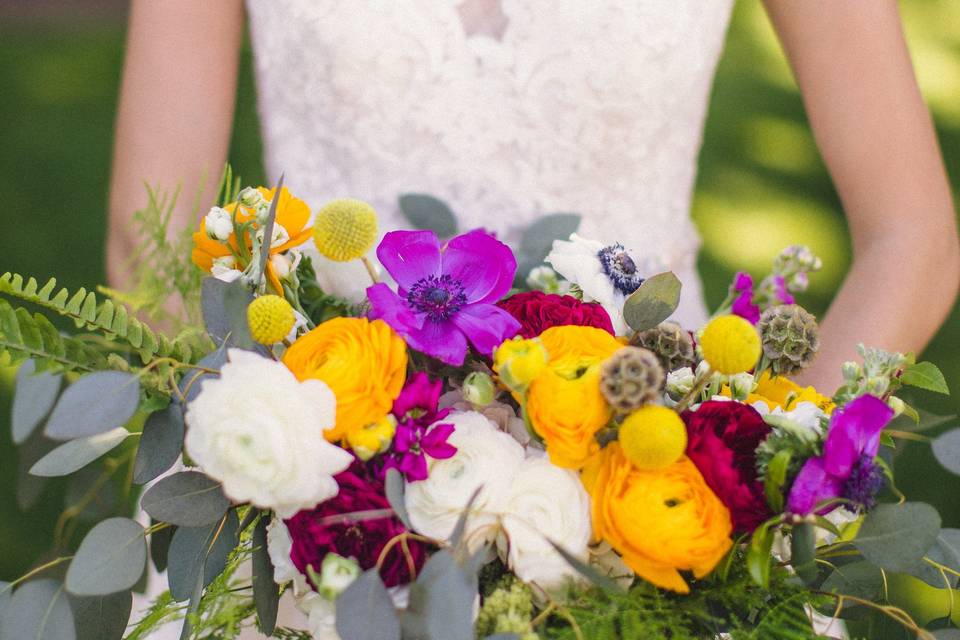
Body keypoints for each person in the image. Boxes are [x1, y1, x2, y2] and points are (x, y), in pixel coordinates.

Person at [106, 2, 959, 636]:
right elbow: (151, 248)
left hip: (655, 523)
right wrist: (270, 469)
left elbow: (912, 234)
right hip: (312, 522)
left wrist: (758, 479)